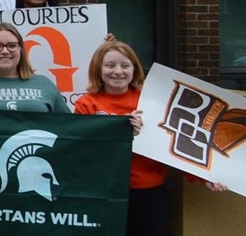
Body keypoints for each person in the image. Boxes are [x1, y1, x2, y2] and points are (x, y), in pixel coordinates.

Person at [74, 41, 229, 236]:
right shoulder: (86, 105)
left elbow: (176, 143)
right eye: (110, 65)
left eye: (125, 65)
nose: (118, 71)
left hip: (149, 193)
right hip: (104, 193)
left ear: (134, 69)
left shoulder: (151, 101)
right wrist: (120, 133)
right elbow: (81, 151)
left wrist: (203, 176)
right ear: (98, 69)